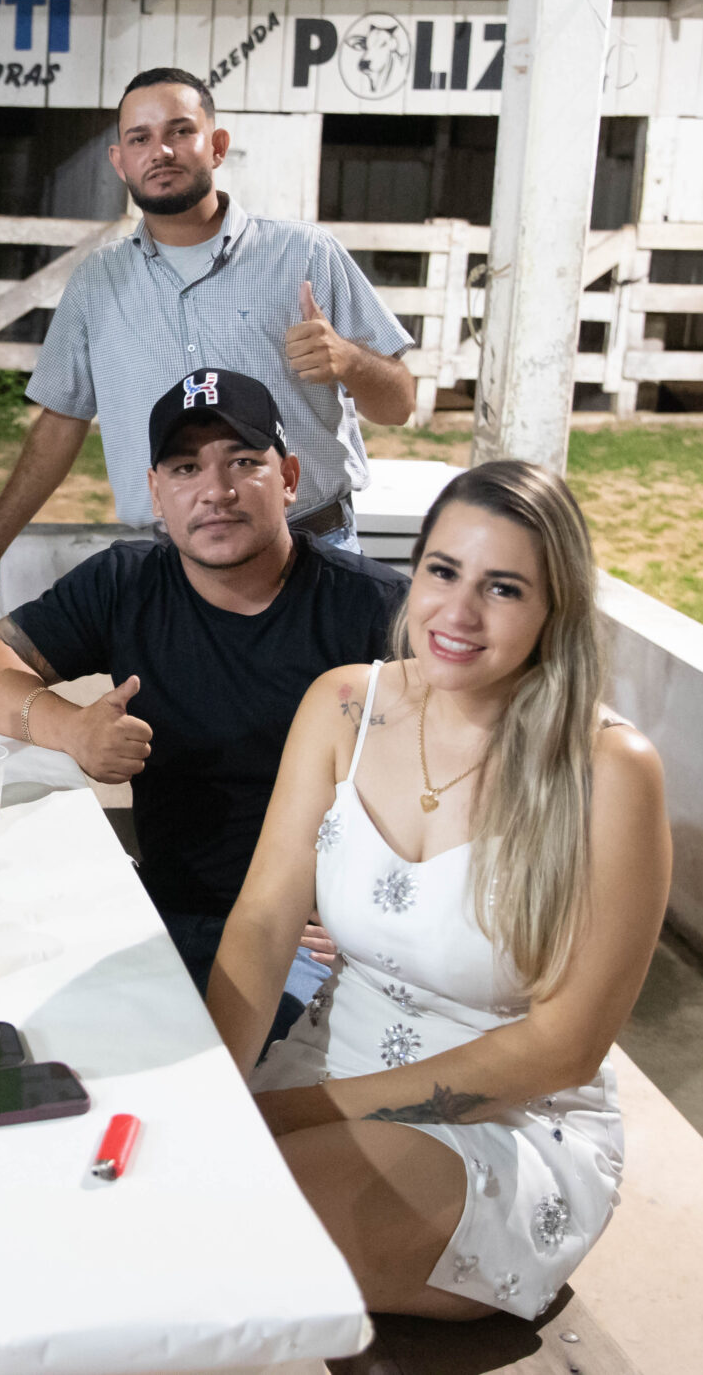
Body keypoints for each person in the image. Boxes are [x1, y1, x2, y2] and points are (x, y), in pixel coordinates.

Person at [206, 461, 669, 1323]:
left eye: (504, 588)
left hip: (506, 1117)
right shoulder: (344, 705)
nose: (458, 613)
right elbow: (265, 919)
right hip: (320, 1065)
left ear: (555, 610)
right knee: (172, 1197)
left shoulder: (608, 770)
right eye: (443, 571)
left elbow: (564, 1047)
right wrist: (214, 1095)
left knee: (244, 1232)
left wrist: (289, 1114)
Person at [0, 368, 406, 1006]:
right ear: (157, 495)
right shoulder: (127, 582)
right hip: (157, 909)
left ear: (290, 478)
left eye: (244, 461)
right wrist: (71, 729)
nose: (216, 491)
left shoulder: (378, 610)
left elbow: (475, 779)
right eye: (186, 469)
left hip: (306, 936)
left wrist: (370, 905)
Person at [0, 65, 416, 597]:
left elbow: (399, 405)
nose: (160, 151)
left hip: (311, 556)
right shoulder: (97, 281)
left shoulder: (304, 255)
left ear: (217, 146)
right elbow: (61, 421)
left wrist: (350, 360)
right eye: (140, 139)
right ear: (121, 162)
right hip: (176, 570)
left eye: (180, 131)